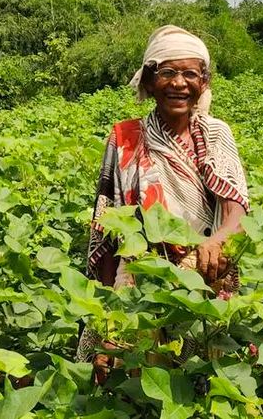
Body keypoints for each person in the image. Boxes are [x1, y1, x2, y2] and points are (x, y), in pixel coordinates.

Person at [76, 25, 250, 368]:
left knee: (198, 378)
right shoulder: (125, 138)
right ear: (148, 81)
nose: (179, 83)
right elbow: (107, 225)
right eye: (167, 72)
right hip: (139, 282)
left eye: (190, 73)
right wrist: (108, 303)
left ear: (204, 82)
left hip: (202, 276)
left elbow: (236, 210)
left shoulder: (217, 134)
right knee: (136, 381)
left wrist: (217, 241)